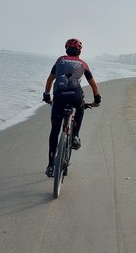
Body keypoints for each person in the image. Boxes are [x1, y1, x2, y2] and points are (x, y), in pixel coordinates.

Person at [42, 38, 101, 178]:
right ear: (79, 51)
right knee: (80, 106)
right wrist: (97, 100)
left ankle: (51, 166)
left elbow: (50, 80)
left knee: (54, 132)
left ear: (66, 49)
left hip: (59, 98)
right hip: (75, 97)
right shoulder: (83, 64)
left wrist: (46, 96)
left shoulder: (60, 60)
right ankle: (75, 136)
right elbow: (93, 85)